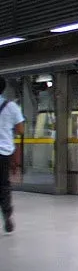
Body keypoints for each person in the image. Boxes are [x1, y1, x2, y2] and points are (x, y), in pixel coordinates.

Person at [0, 77, 26, 233]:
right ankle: (7, 215)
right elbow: (21, 130)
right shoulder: (11, 106)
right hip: (4, 152)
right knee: (3, 185)